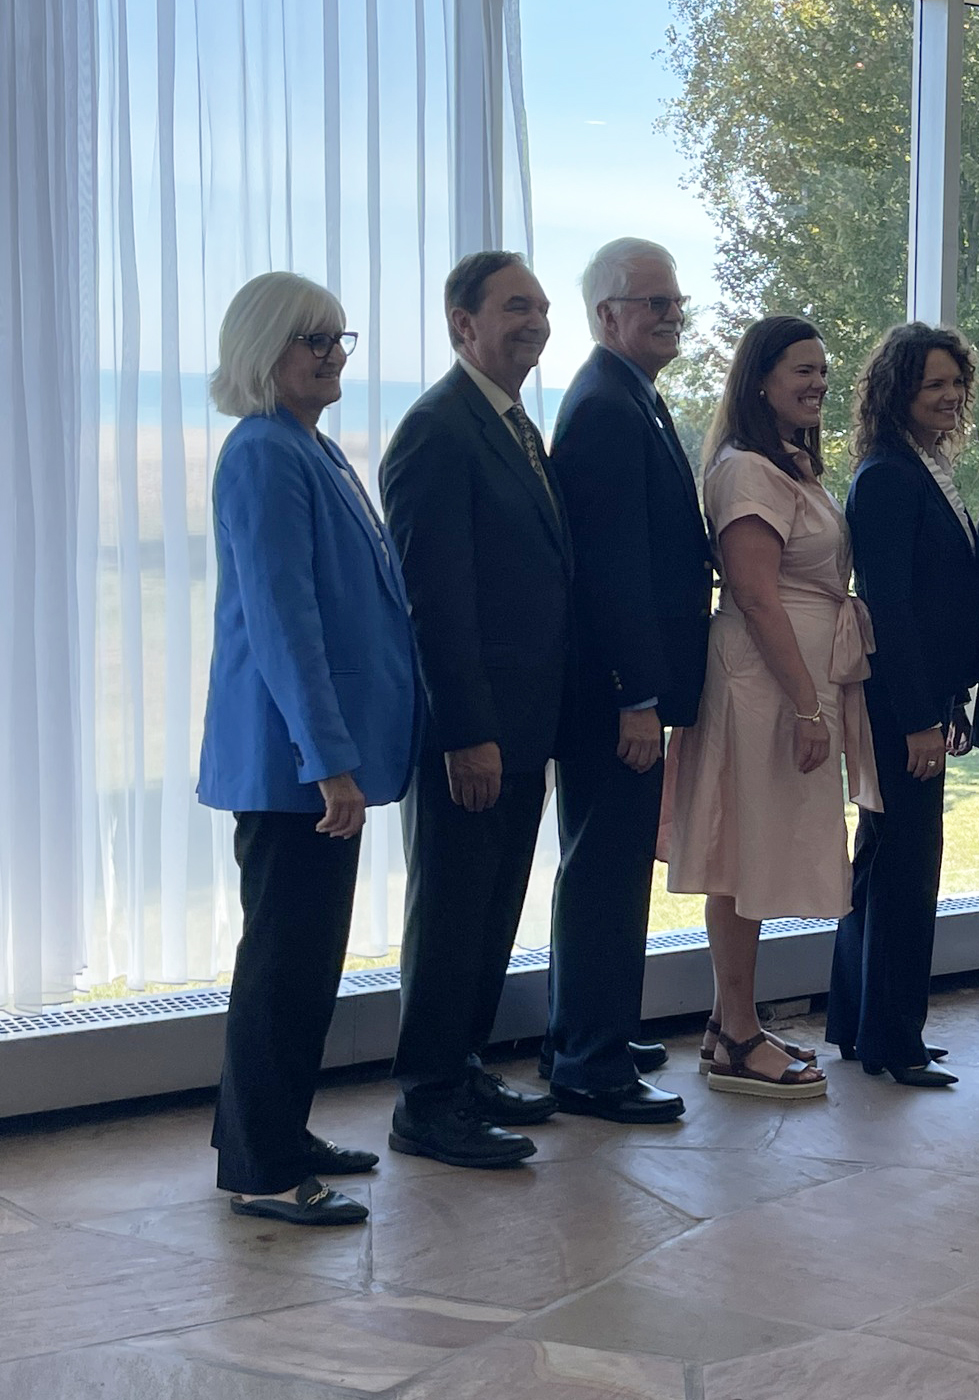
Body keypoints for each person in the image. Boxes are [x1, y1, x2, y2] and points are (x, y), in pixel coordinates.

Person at [197, 273, 415, 1227]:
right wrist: (329, 760)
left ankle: (271, 1130)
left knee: (303, 961)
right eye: (309, 339)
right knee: (286, 964)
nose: (330, 354)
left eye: (338, 338)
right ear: (261, 351)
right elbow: (287, 627)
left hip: (318, 762)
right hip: (292, 767)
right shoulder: (262, 454)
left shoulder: (311, 450)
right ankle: (262, 1168)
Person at [380, 251, 570, 1168]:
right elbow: (435, 605)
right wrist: (468, 734)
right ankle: (427, 1102)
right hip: (475, 732)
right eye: (513, 307)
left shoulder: (513, 424)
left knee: (492, 911)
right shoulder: (436, 431)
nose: (534, 322)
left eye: (539, 306)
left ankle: (462, 1070)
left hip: (525, 726)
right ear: (462, 325)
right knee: (454, 913)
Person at [660, 315, 880, 1100]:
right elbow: (754, 592)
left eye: (823, 369)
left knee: (748, 850)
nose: (818, 381)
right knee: (744, 851)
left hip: (789, 676)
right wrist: (805, 706)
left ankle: (730, 1023)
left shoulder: (787, 465)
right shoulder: (749, 471)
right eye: (800, 370)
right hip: (765, 682)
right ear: (760, 379)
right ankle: (741, 1032)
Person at [538, 237, 711, 1124]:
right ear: (607, 315)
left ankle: (588, 1026)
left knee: (603, 871)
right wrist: (635, 696)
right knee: (605, 874)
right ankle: (589, 1064)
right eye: (654, 304)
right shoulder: (606, 406)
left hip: (629, 693)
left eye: (677, 303)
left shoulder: (630, 396)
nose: (671, 316)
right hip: (615, 699)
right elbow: (609, 572)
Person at [827, 324, 979, 1088]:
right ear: (898, 393)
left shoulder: (924, 465)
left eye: (956, 383)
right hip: (898, 707)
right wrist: (921, 714)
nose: (950, 396)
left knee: (884, 859)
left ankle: (863, 1026)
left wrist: (948, 698)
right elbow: (889, 603)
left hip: (921, 700)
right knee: (906, 870)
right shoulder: (889, 474)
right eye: (934, 385)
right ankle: (895, 1040)